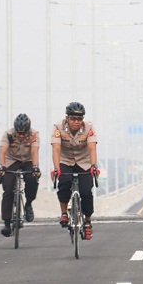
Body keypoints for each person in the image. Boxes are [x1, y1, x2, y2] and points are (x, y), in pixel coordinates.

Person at [50, 102, 100, 240]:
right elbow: (56, 148)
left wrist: (94, 166)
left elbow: (91, 148)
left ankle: (88, 222)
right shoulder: (58, 127)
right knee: (64, 183)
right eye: (73, 119)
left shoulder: (89, 127)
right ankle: (64, 213)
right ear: (67, 118)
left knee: (86, 192)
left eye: (79, 119)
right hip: (65, 161)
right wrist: (57, 168)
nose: (76, 122)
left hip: (84, 162)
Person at [0, 113, 41, 237]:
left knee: (32, 179)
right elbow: (2, 152)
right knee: (8, 187)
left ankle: (28, 204)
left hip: (28, 160)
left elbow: (34, 151)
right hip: (12, 160)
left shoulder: (34, 134)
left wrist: (35, 167)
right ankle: (6, 222)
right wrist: (3, 166)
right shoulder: (8, 134)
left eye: (24, 134)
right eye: (19, 133)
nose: (21, 136)